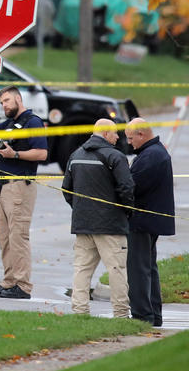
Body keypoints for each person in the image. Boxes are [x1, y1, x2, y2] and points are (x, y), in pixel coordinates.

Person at [61, 119, 135, 317]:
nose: (118, 137)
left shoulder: (75, 155)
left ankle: (79, 311)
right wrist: (127, 211)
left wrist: (79, 208)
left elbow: (66, 189)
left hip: (83, 225)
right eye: (115, 133)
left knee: (82, 270)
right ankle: (120, 314)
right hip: (111, 226)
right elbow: (126, 188)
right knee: (116, 269)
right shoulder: (115, 156)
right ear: (105, 133)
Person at [0, 86, 48, 299]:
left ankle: (23, 286)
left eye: (7, 100)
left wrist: (14, 154)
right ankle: (9, 282)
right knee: (6, 239)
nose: (5, 105)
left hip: (19, 185)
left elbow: (42, 153)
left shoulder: (32, 122)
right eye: (2, 102)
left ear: (18, 98)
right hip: (4, 187)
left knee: (18, 237)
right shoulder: (9, 124)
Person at [125, 118, 174, 326]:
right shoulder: (154, 152)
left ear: (141, 135)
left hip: (142, 220)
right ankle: (154, 314)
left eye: (130, 138)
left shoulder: (150, 156)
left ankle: (142, 315)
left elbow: (131, 187)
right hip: (150, 220)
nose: (129, 143)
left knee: (138, 268)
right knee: (148, 267)